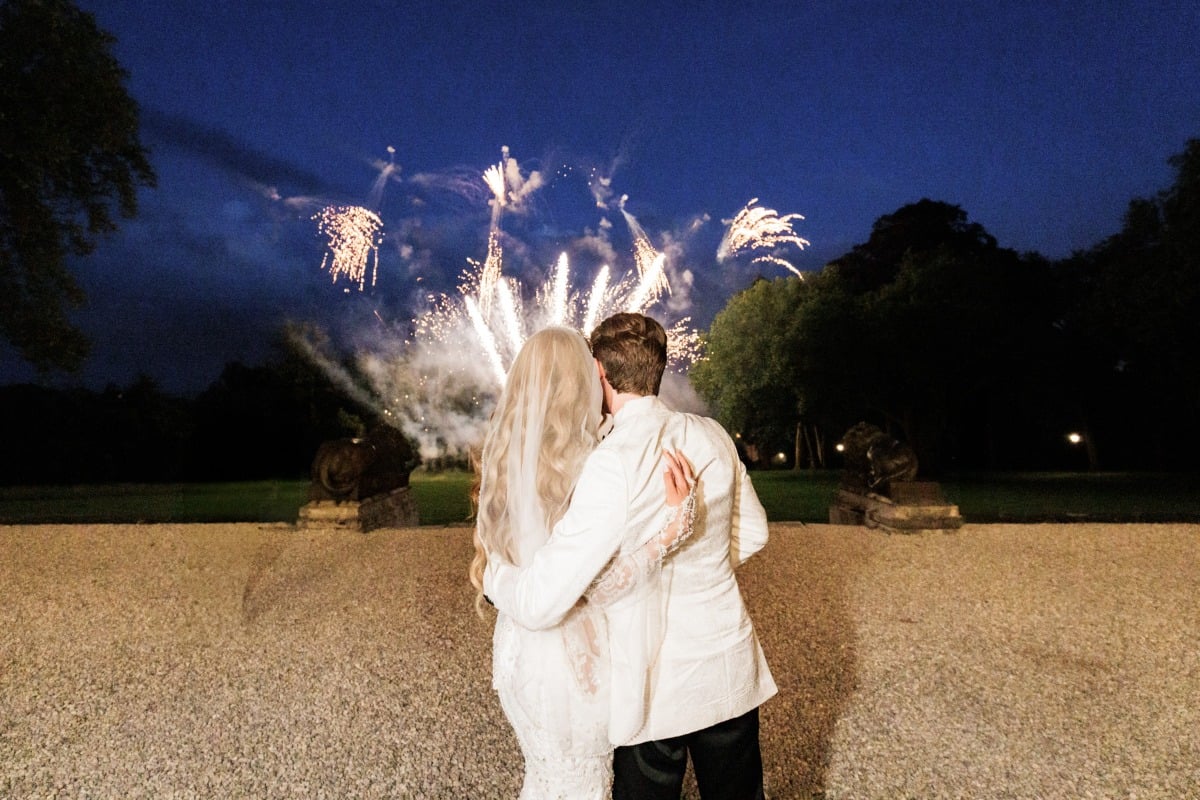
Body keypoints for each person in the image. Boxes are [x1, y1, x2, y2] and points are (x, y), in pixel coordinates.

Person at [485, 312, 776, 800]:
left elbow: (542, 603)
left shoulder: (609, 464)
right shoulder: (713, 435)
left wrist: (496, 578)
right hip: (728, 659)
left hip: (652, 680)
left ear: (599, 371)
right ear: (657, 368)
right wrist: (698, 569)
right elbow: (755, 534)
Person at [469, 325, 696, 799]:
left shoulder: (516, 458)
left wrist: (494, 576)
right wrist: (666, 537)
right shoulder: (596, 466)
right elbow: (576, 592)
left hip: (518, 657)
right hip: (570, 667)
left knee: (546, 780)